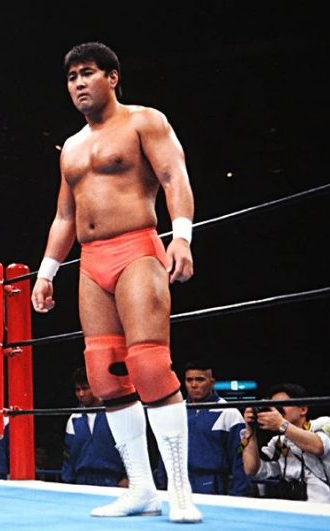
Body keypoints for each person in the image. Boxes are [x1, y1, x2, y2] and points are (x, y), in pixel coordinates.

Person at [31, 42, 200, 522]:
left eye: (87, 73)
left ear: (112, 77)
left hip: (137, 248)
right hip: (90, 261)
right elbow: (65, 216)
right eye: (71, 77)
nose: (78, 84)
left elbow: (173, 176)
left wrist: (182, 237)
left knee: (149, 364)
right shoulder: (71, 147)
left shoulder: (144, 121)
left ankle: (180, 490)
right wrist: (46, 272)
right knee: (104, 372)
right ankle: (141, 488)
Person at [156, 361, 249, 496]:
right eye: (189, 380)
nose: (194, 385)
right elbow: (165, 451)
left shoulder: (228, 412)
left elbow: (240, 460)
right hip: (178, 486)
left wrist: (238, 496)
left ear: (212, 382)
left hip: (214, 488)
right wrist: (162, 488)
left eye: (200, 380)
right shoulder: (176, 411)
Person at [242, 383, 330, 504]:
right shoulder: (279, 443)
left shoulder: (325, 424)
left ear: (303, 409)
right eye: (274, 406)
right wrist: (250, 431)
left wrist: (281, 424)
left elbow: (318, 447)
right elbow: (252, 470)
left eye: (282, 404)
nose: (277, 410)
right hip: (294, 509)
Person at [61, 367, 127, 487]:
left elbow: (129, 448)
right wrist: (67, 483)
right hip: (82, 482)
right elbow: (68, 457)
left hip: (112, 480)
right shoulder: (74, 418)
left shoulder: (115, 415)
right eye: (77, 390)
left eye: (85, 388)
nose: (81, 394)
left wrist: (128, 478)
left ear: (96, 387)